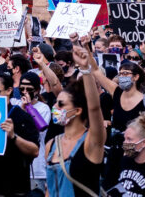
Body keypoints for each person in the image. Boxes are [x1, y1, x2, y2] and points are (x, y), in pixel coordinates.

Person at [45, 44, 105, 197]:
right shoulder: (51, 145)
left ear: (78, 110)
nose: (55, 108)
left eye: (61, 104)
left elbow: (94, 108)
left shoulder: (92, 141)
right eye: (56, 103)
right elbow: (49, 189)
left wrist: (85, 69)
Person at [0, 71, 40, 197]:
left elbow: (34, 150)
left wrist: (14, 136)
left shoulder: (21, 116)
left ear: (9, 90)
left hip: (15, 187)